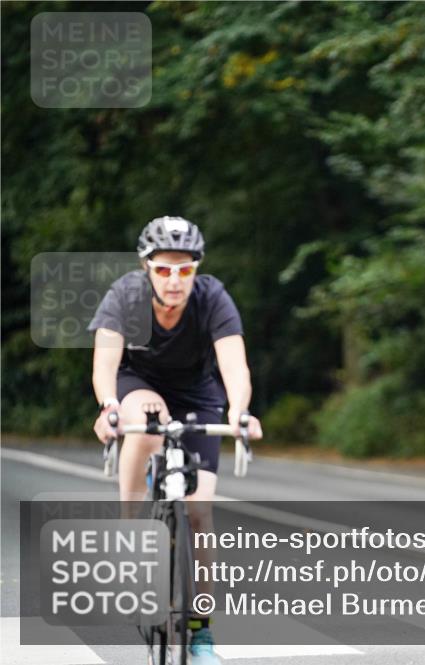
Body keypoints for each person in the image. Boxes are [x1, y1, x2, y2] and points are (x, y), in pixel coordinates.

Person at [89, 216, 262, 665]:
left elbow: (234, 366)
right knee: (147, 422)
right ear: (146, 267)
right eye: (164, 269)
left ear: (196, 270)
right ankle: (131, 531)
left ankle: (202, 634)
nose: (174, 280)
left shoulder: (212, 298)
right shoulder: (126, 296)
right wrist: (109, 406)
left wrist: (240, 411)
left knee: (201, 513)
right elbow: (105, 365)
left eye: (184, 270)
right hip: (138, 382)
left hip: (197, 393)